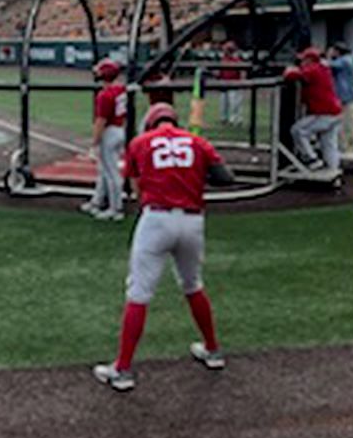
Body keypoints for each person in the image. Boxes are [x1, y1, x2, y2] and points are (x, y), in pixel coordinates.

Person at [93, 103, 235, 393]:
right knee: (193, 285)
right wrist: (195, 174)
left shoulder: (140, 142)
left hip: (156, 219)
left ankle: (122, 370)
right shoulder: (198, 142)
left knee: (139, 293)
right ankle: (213, 350)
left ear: (150, 123)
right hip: (193, 222)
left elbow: (134, 187)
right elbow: (225, 178)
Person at [80, 59, 127, 221]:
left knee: (110, 172)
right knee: (104, 170)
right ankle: (97, 201)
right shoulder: (120, 89)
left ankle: (116, 208)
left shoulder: (105, 95)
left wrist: (94, 143)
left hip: (110, 132)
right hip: (120, 129)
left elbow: (101, 121)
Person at [283, 47, 342, 171]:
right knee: (329, 145)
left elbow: (290, 75)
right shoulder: (323, 68)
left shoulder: (313, 69)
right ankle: (333, 171)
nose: (302, 62)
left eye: (304, 60)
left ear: (309, 60)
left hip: (323, 113)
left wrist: (290, 69)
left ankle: (312, 159)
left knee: (297, 130)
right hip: (334, 112)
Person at [327, 42, 353, 154]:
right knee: (348, 125)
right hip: (348, 96)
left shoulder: (344, 61)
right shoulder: (348, 59)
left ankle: (351, 148)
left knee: (347, 125)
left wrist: (328, 56)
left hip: (346, 97)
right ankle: (349, 148)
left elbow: (328, 65)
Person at [218, 41, 244, 126]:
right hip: (224, 84)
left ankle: (236, 120)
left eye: (227, 50)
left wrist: (241, 82)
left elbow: (242, 73)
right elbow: (220, 72)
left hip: (234, 84)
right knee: (223, 104)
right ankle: (224, 119)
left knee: (235, 104)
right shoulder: (223, 59)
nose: (225, 51)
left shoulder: (237, 60)